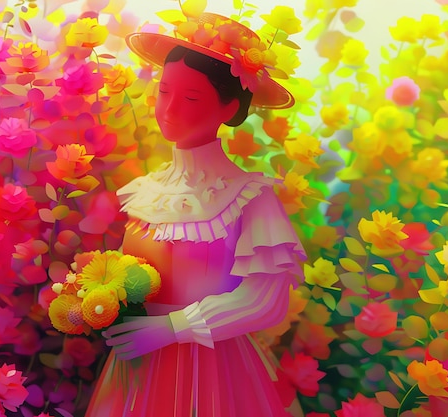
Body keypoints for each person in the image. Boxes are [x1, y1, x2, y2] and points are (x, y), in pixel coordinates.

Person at [85, 13, 306, 417]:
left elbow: (266, 300)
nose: (168, 109)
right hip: (135, 365)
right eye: (164, 91)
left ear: (230, 109)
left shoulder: (251, 196)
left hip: (213, 369)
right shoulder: (143, 192)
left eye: (190, 99)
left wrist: (171, 328)